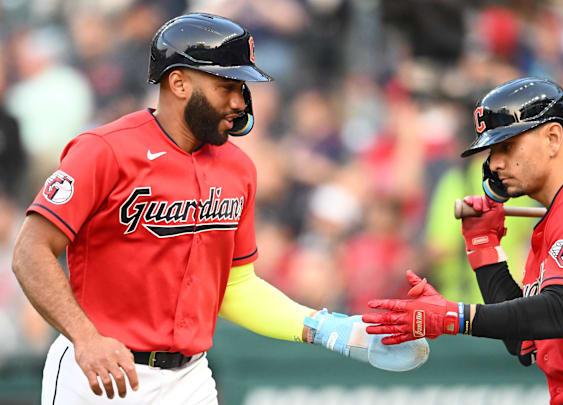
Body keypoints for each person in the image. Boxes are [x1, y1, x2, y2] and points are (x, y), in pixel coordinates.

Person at [12, 13, 427, 404]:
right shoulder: (104, 151)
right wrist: (84, 337)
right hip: (101, 372)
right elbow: (30, 252)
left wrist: (329, 328)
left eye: (242, 88)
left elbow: (235, 285)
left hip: (188, 378)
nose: (239, 102)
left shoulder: (238, 168)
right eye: (226, 86)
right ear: (179, 83)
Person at [363, 77, 563, 405]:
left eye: (507, 146)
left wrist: (455, 316)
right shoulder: (562, 214)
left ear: (552, 138)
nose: (495, 163)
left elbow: (558, 312)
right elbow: (523, 341)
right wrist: (483, 247)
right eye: (492, 150)